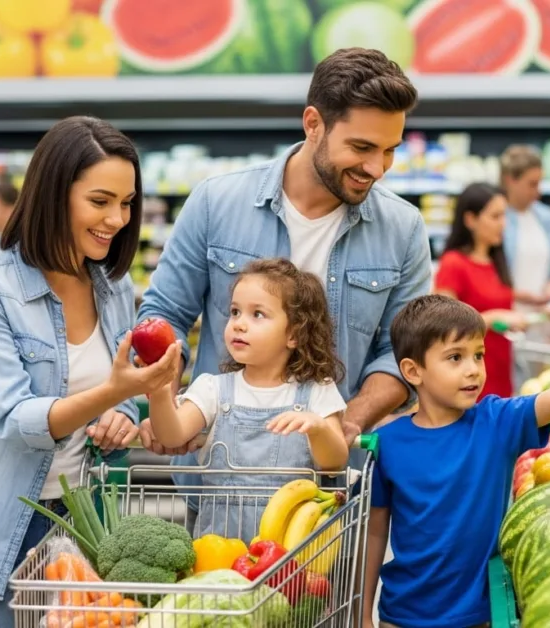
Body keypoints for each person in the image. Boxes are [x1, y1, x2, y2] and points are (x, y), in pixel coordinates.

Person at [0, 116, 183, 626]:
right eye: (100, 201)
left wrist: (122, 413)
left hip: (78, 522)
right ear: (53, 195)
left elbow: (117, 398)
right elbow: (17, 420)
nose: (118, 219)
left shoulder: (114, 291)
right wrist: (114, 390)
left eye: (126, 203)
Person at [136, 47, 428, 462]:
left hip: (334, 489)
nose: (377, 168)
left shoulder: (403, 227)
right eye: (362, 147)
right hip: (221, 474)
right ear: (313, 124)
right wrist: (166, 401)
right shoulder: (216, 202)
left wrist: (348, 420)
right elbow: (165, 315)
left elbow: (403, 354)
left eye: (389, 150)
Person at [363, 294, 550, 628]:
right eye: (455, 357)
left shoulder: (497, 422)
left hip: (479, 614)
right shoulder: (388, 444)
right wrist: (363, 611)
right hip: (402, 616)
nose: (473, 370)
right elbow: (375, 531)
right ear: (413, 371)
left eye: (478, 355)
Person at [146, 258, 349, 541]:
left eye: (258, 314)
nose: (239, 324)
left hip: (291, 558)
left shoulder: (317, 392)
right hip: (218, 556)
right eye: (235, 312)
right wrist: (158, 394)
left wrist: (318, 427)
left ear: (294, 334)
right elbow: (172, 434)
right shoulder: (213, 389)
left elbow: (334, 462)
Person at [434, 183, 526, 399]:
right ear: (470, 220)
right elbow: (443, 329)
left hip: (502, 374)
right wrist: (492, 318)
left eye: (505, 216)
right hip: (468, 382)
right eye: (495, 216)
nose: (503, 224)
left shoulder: (496, 262)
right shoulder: (453, 264)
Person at [499, 144, 550, 310]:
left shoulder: (547, 217)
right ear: (510, 180)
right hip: (505, 317)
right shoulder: (495, 219)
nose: (538, 191)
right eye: (532, 184)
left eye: (540, 183)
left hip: (543, 316)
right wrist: (522, 296)